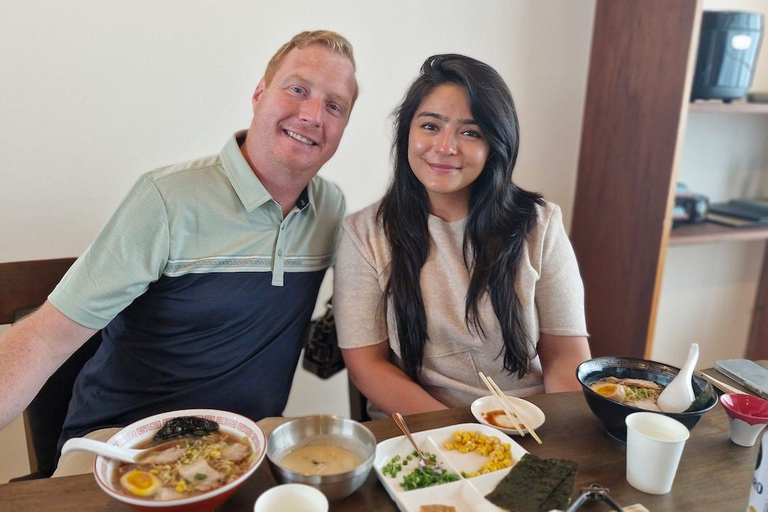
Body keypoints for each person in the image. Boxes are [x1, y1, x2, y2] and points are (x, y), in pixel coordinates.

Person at [0, 30, 358, 474]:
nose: (311, 114)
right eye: (297, 89)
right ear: (260, 93)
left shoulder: (329, 209)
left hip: (245, 443)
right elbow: (45, 337)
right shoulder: (167, 200)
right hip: (123, 444)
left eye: (334, 106)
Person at [334, 54, 590, 418]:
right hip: (420, 431)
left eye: (470, 132)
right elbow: (367, 366)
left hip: (527, 423)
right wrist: (465, 435)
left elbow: (566, 354)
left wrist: (563, 433)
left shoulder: (539, 224)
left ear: (495, 146)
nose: (445, 147)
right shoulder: (364, 234)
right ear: (407, 131)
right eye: (430, 126)